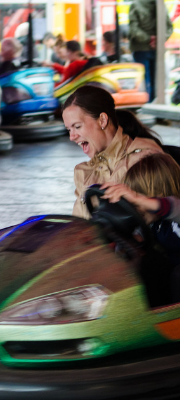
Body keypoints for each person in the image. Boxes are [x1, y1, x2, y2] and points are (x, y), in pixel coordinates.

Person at [63, 85, 163, 219]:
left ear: (102, 120)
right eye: (69, 129)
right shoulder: (84, 172)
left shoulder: (144, 158)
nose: (72, 136)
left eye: (77, 127)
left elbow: (157, 225)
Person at [101, 153, 180, 306]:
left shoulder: (175, 220)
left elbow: (175, 208)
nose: (135, 206)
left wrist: (141, 200)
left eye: (137, 198)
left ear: (160, 195)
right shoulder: (151, 224)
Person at [129, 0, 173, 101]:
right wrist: (159, 39)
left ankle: (145, 104)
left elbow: (133, 29)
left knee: (143, 80)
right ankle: (154, 104)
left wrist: (149, 39)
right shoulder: (160, 5)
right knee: (157, 81)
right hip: (158, 49)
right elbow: (169, 27)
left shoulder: (136, 4)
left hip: (141, 48)